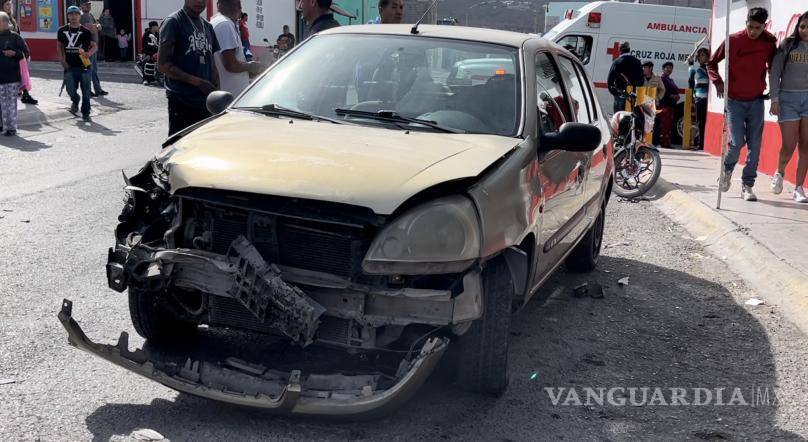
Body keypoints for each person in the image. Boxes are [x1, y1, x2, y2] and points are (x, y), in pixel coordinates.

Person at [708, 7, 777, 202]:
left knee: (755, 147)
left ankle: (747, 186)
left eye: (757, 27)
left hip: (756, 101)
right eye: (750, 26)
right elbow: (711, 63)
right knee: (737, 143)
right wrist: (718, 82)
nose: (752, 31)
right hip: (734, 101)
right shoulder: (733, 40)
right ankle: (727, 170)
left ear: (765, 26)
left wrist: (774, 91)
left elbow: (773, 68)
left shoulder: (769, 43)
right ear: (745, 22)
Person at [158, 0, 220, 135]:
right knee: (180, 147)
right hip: (182, 100)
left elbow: (212, 63)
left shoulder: (208, 26)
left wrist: (217, 91)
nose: (199, 2)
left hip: (206, 101)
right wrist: (198, 82)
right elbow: (163, 65)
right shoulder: (173, 22)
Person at [769, 11, 808, 203]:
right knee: (789, 144)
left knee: (806, 145)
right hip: (788, 99)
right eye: (802, 26)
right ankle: (780, 172)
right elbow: (775, 72)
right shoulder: (788, 45)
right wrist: (774, 98)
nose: (805, 31)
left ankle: (799, 188)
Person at [211, 0, 262, 96]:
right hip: (231, 95)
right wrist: (251, 66)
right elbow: (231, 65)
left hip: (227, 93)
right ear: (237, 7)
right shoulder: (225, 25)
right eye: (240, 7)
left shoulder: (218, 22)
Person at [57, 6, 96, 122]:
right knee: (70, 89)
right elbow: (59, 47)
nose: (73, 16)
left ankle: (85, 112)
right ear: (68, 16)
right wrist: (62, 60)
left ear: (80, 16)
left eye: (76, 14)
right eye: (71, 14)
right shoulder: (61, 30)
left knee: (86, 90)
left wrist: (88, 53)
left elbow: (94, 46)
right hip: (69, 66)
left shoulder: (86, 31)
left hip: (84, 66)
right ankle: (75, 100)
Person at [1, 0, 36, 105]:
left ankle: (25, 94)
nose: (9, 6)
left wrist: (22, 50)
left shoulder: (12, 19)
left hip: (16, 50)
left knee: (22, 74)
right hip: (5, 51)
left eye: (10, 4)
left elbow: (18, 35)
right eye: (7, 4)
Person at [0, 11, 27, 136]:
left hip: (12, 76)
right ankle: (3, 126)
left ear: (5, 23)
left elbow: (26, 54)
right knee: (2, 103)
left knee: (10, 103)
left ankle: (11, 128)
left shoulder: (15, 37)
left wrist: (14, 53)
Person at [79, 0, 107, 96]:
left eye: (89, 4)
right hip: (87, 47)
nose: (89, 6)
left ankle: (97, 89)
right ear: (82, 5)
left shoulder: (89, 15)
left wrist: (97, 26)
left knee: (94, 69)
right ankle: (88, 90)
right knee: (88, 69)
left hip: (93, 47)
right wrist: (97, 26)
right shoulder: (82, 15)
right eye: (87, 4)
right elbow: (92, 28)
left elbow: (97, 25)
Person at [607, 41, 643, 114]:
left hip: (620, 93)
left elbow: (610, 79)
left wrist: (614, 92)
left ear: (620, 50)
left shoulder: (617, 62)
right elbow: (641, 80)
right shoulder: (637, 61)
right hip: (633, 94)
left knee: (619, 116)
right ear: (629, 49)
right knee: (632, 116)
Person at [688, 47, 711, 151]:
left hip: (708, 100)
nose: (703, 57)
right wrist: (690, 63)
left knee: (705, 122)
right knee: (700, 122)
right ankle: (699, 143)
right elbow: (691, 77)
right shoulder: (699, 71)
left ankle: (703, 143)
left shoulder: (709, 69)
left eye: (704, 55)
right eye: (700, 55)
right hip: (700, 99)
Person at [658, 61, 680, 149]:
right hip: (664, 104)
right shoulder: (661, 79)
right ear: (663, 69)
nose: (669, 69)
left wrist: (677, 96)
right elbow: (662, 91)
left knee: (669, 125)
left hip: (671, 105)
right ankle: (663, 143)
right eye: (667, 68)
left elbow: (675, 90)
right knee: (664, 125)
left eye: (671, 68)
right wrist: (672, 96)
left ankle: (667, 143)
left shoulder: (670, 80)